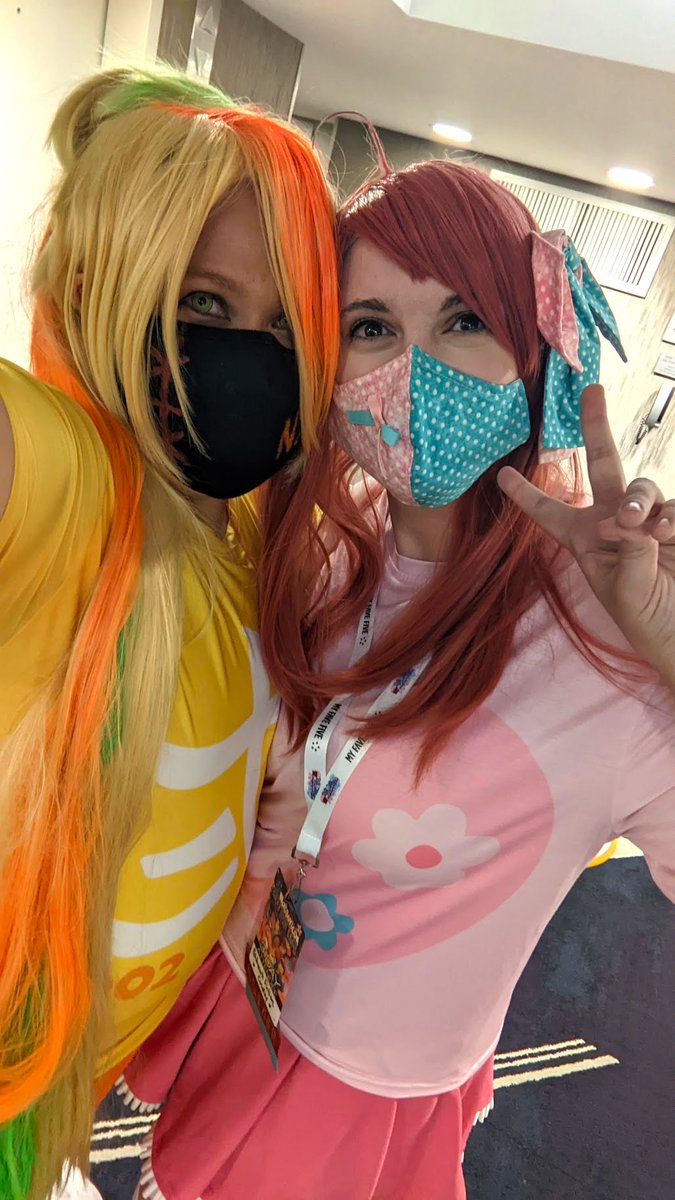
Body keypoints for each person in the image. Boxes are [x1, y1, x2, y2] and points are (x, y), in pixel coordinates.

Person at [120, 156, 675, 1200]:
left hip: (375, 1076)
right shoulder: (324, 554)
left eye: (464, 319)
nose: (414, 370)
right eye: (371, 327)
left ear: (534, 347)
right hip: (250, 983)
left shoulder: (608, 644)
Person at [0, 66, 338, 1200]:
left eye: (285, 325)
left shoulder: (245, 531)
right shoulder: (78, 488)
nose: (253, 355)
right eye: (202, 307)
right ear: (104, 291)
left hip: (71, 1086)